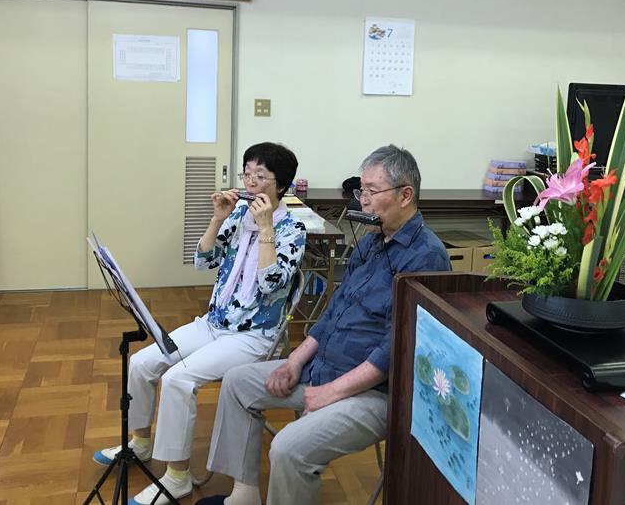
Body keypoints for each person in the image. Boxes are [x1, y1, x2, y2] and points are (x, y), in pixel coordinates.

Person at [196, 144, 451, 505]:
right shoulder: (372, 242)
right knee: (238, 383)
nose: (363, 200)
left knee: (288, 448)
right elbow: (332, 313)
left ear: (405, 195)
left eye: (371, 190)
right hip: (323, 368)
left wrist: (331, 392)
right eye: (361, 190)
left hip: (373, 393)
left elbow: (396, 348)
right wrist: (294, 361)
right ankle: (244, 495)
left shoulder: (427, 256)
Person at [93, 142, 307, 505]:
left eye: (260, 176)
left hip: (251, 337)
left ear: (281, 185)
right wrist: (218, 218)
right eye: (247, 174)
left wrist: (266, 228)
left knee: (178, 379)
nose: (250, 183)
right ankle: (140, 443)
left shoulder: (292, 230)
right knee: (141, 362)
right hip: (213, 323)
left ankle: (177, 477)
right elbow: (203, 262)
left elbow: (271, 284)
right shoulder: (237, 217)